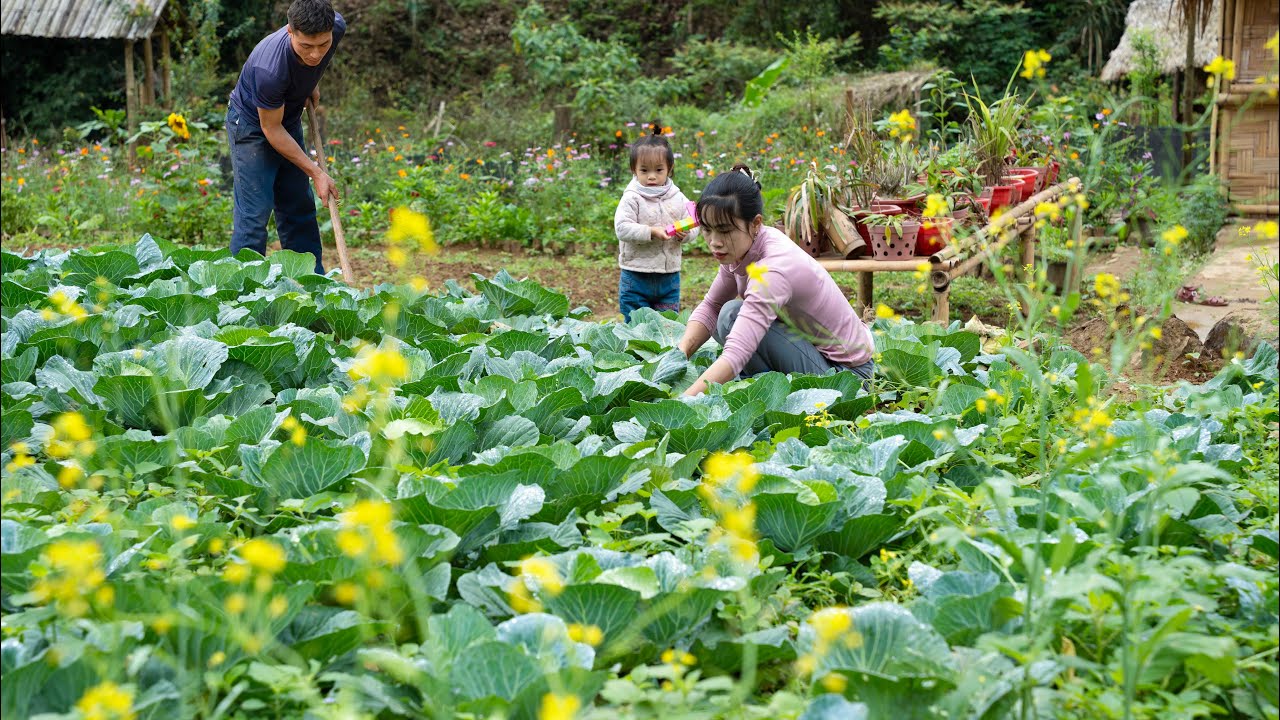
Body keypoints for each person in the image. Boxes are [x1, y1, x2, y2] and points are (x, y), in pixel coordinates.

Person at [677, 165, 876, 396]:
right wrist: (679, 355)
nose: (714, 241)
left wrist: (685, 399)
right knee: (728, 314)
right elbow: (711, 305)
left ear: (755, 223)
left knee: (733, 318)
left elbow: (737, 352)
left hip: (847, 377)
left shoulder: (772, 269)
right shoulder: (744, 247)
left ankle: (773, 394)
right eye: (707, 230)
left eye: (724, 230)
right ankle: (770, 392)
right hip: (814, 355)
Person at [226, 0, 346, 274]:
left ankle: (309, 282)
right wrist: (316, 172)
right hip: (252, 125)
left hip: (287, 116)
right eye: (306, 47)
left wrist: (310, 82)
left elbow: (315, 59)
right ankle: (242, 290)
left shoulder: (335, 28)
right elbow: (271, 130)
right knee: (254, 214)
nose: (315, 55)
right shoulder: (269, 69)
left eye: (323, 45)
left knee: (298, 205)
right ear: (289, 31)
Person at [613, 124, 698, 322]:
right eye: (644, 170)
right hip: (636, 274)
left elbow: (694, 222)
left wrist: (686, 234)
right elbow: (622, 228)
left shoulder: (678, 197)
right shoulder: (632, 198)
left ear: (669, 168)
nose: (652, 176)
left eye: (659, 170)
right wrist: (650, 231)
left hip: (669, 277)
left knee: (666, 324)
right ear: (634, 169)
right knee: (636, 326)